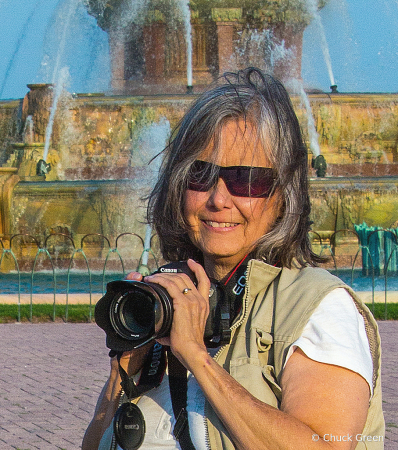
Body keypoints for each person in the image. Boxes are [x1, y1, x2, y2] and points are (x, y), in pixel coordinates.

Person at [83, 68, 384, 450]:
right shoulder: (173, 300)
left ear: (283, 195)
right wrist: (124, 368)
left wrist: (195, 356)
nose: (218, 199)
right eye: (200, 174)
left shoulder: (316, 308)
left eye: (246, 180)